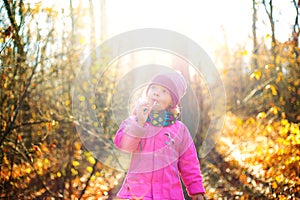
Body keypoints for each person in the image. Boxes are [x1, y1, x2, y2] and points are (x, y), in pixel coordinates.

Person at [114, 71, 206, 200]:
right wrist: (139, 123)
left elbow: (189, 162)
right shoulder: (135, 121)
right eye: (153, 88)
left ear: (172, 102)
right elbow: (123, 145)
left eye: (164, 91)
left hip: (169, 194)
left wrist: (196, 190)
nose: (156, 92)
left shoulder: (180, 130)